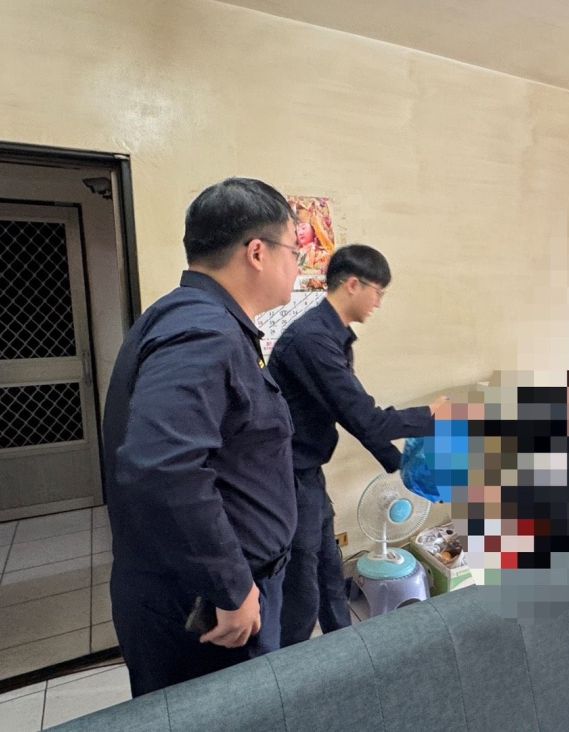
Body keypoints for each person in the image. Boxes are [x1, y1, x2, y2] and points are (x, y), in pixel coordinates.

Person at [102, 177, 302, 696]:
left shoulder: (192, 318)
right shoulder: (204, 330)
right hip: (210, 608)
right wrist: (231, 586)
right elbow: (161, 465)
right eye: (294, 251)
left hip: (206, 591)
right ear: (257, 252)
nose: (298, 266)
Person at [268, 244, 446, 646]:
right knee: (302, 586)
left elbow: (355, 417)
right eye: (378, 292)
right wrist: (431, 416)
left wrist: (402, 466)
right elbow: (367, 418)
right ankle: (287, 668)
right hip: (287, 475)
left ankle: (347, 649)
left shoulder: (331, 336)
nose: (379, 302)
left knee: (329, 569)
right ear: (353, 284)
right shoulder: (312, 340)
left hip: (307, 473)